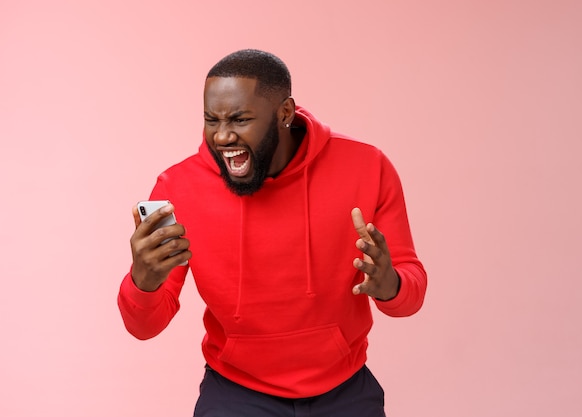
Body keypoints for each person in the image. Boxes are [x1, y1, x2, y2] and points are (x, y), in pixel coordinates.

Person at [118, 49, 427, 417]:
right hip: (235, 391)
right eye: (211, 120)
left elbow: (411, 292)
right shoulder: (178, 187)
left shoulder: (367, 166)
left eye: (240, 119)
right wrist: (144, 281)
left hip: (345, 389)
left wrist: (390, 283)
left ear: (284, 113)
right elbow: (144, 327)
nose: (223, 135)